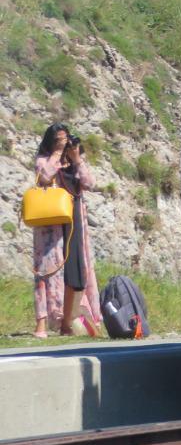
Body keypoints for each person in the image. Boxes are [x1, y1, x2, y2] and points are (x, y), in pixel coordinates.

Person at [31, 123, 102, 338]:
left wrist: (77, 159)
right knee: (46, 271)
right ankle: (42, 324)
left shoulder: (73, 160)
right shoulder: (43, 159)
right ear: (50, 142)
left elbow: (90, 183)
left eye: (65, 138)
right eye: (58, 139)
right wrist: (56, 153)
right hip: (50, 225)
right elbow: (44, 177)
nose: (63, 143)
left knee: (75, 272)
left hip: (74, 220)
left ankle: (67, 323)